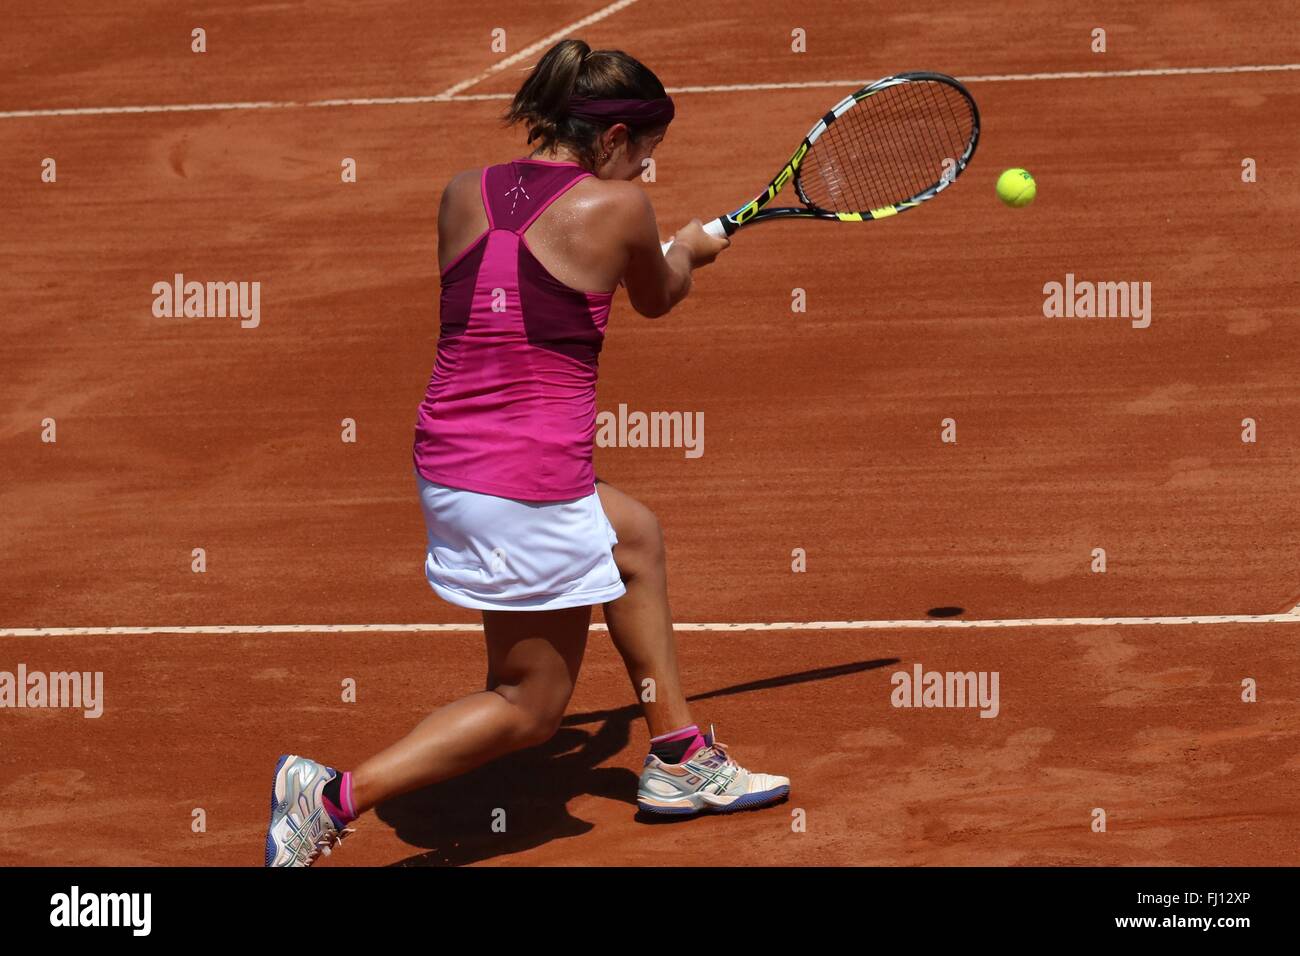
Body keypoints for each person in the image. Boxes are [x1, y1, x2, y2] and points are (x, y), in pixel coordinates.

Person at [265, 38, 789, 868]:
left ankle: (681, 756)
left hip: (453, 462)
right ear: (613, 141)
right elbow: (655, 296)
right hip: (526, 486)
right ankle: (330, 796)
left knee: (634, 536)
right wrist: (689, 248)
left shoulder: (461, 195)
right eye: (646, 153)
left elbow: (538, 272)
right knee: (528, 707)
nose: (645, 171)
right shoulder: (617, 209)